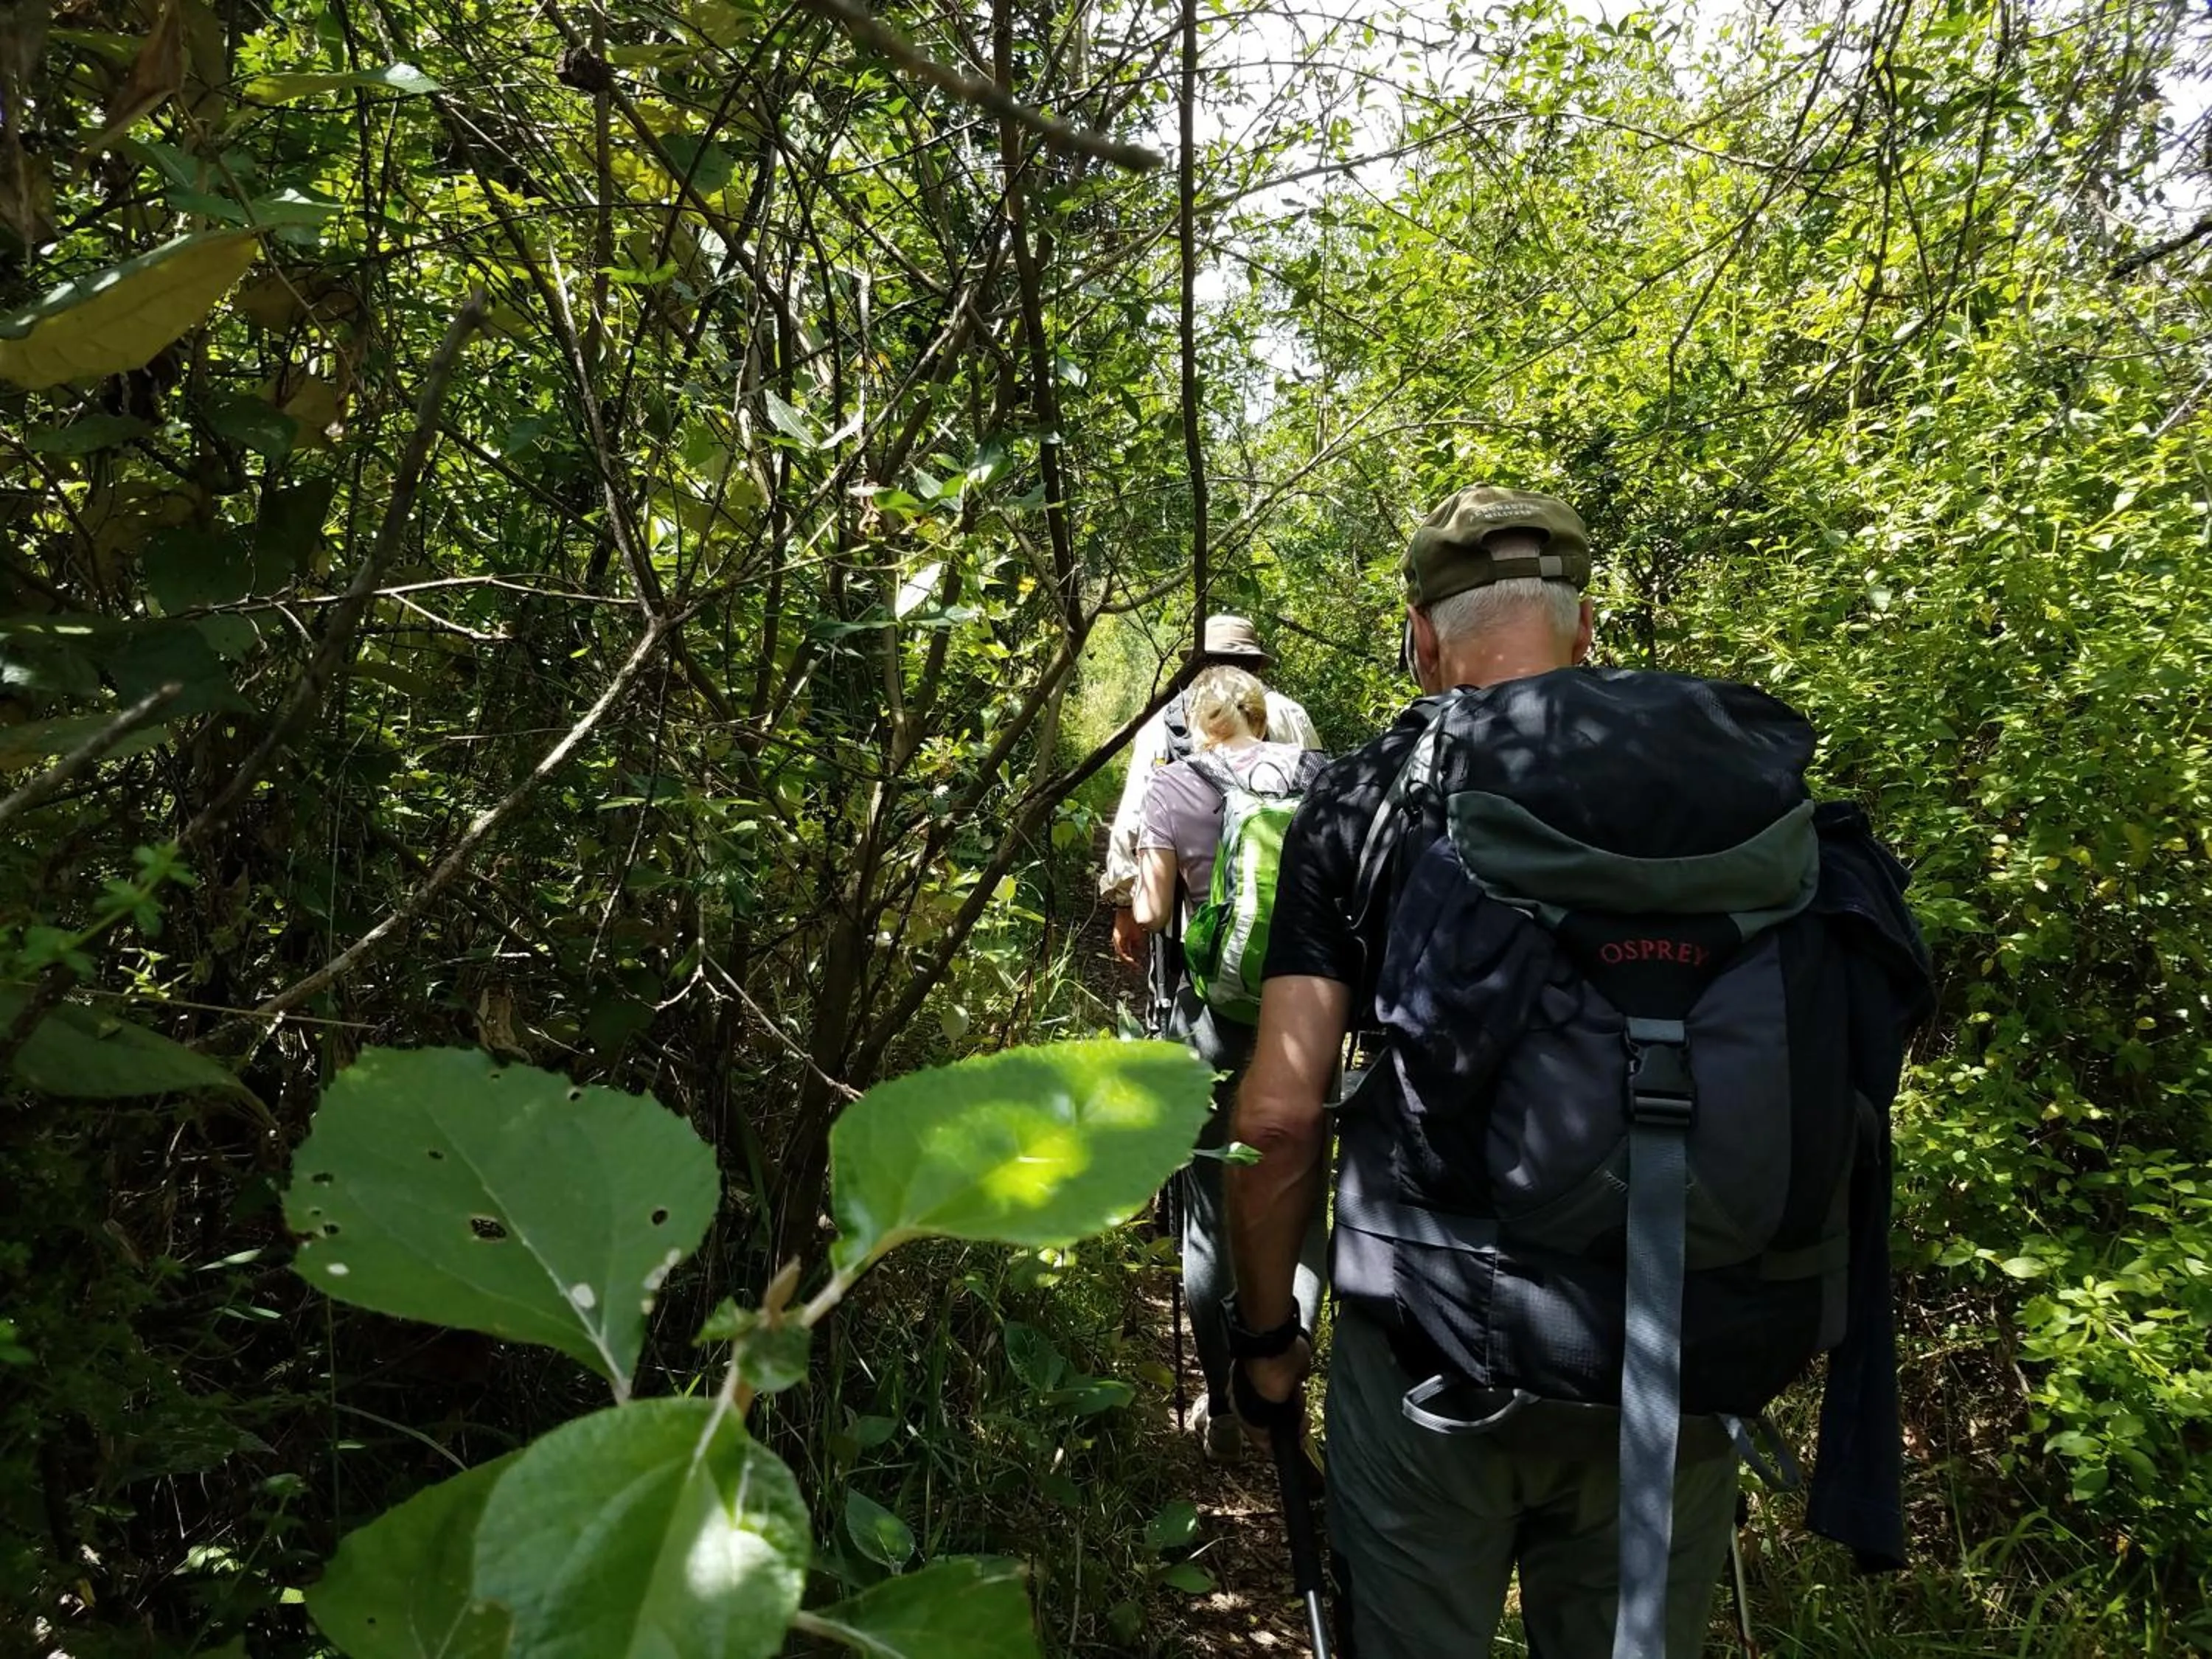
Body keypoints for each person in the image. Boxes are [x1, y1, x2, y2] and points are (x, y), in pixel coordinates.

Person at [1220, 487, 1932, 1657]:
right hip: (1686, 1354)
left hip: (1432, 1354)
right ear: (1587, 625)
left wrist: (1265, 1343)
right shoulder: (1735, 795)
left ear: (1422, 635)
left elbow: (1284, 1114)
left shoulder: (1362, 799)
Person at [1131, 664, 1329, 1464]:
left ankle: (1220, 1403)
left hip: (1213, 1016)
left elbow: (1148, 911)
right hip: (1309, 1015)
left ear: (1198, 722)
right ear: (1261, 713)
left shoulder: (1174, 783)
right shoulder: (1320, 777)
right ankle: (1284, 1375)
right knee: (1303, 1196)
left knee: (1210, 1203)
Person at [1100, 615, 1321, 974]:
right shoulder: (1290, 715)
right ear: (1257, 665)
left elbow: (1134, 818)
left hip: (1194, 929)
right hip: (1285, 925)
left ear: (1198, 663)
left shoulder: (1168, 719)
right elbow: (1319, 808)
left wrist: (1124, 903)